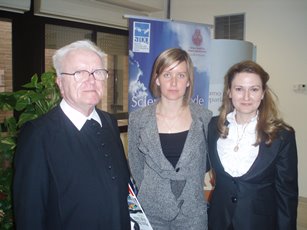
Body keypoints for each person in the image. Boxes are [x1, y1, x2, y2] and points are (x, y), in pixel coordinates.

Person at [13, 40, 131, 230]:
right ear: (60, 83)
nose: (91, 80)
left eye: (97, 72)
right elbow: (29, 213)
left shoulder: (109, 122)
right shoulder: (38, 134)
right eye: (79, 73)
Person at [207, 60, 298, 230]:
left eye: (254, 89)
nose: (246, 97)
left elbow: (286, 195)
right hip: (218, 220)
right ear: (229, 92)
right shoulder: (213, 127)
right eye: (239, 89)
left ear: (263, 93)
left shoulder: (282, 135)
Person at [128, 48, 212, 230]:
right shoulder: (138, 120)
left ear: (188, 81)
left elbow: (206, 164)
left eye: (181, 75)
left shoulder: (205, 118)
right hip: (152, 213)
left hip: (193, 215)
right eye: (167, 75)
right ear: (157, 79)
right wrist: (157, 194)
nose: (174, 82)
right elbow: (136, 166)